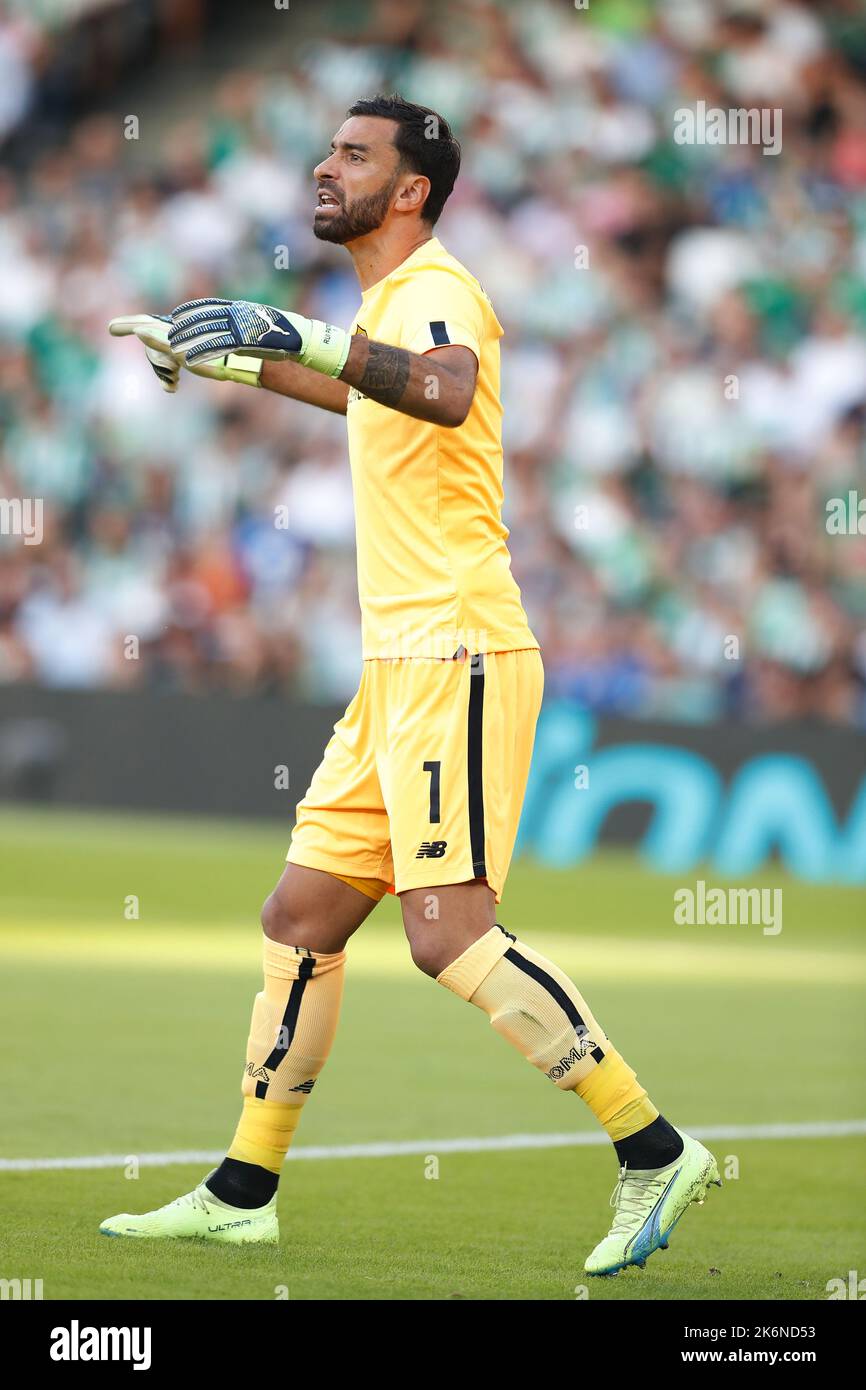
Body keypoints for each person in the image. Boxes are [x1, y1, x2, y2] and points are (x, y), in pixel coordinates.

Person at [101, 94, 720, 1277]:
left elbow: (434, 388)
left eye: (352, 155)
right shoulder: (386, 304)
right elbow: (366, 396)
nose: (322, 168)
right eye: (329, 149)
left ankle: (653, 1145)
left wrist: (292, 327)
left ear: (411, 188)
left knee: (448, 935)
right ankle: (243, 1188)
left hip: (457, 650)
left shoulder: (434, 289)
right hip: (399, 665)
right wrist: (233, 357)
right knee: (302, 915)